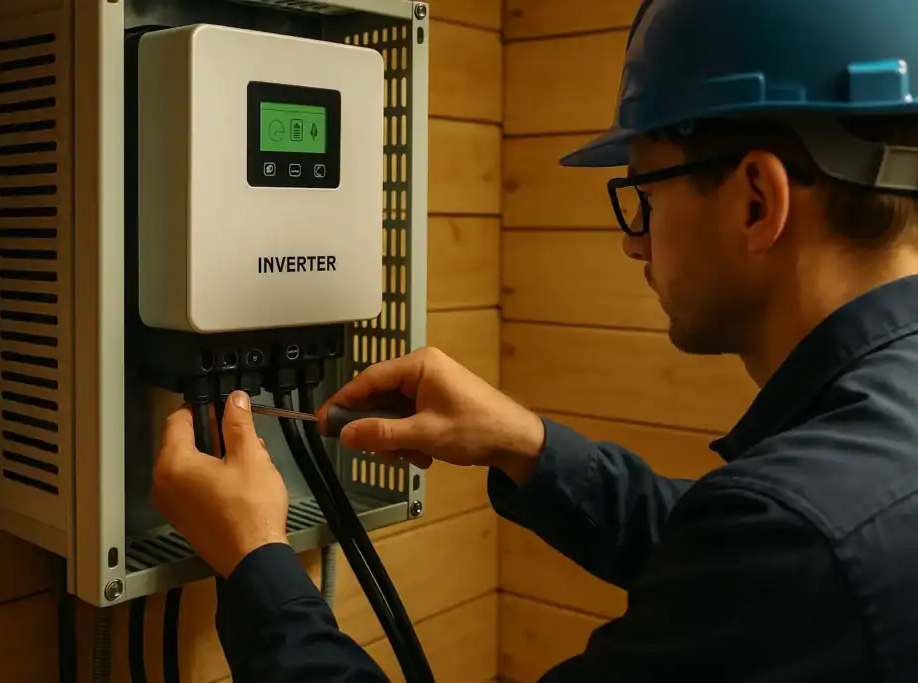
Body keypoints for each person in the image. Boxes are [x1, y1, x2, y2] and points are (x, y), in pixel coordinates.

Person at [150, 0, 918, 680]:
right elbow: (731, 557)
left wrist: (255, 561)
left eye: (641, 194)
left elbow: (769, 551)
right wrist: (526, 445)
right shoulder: (860, 460)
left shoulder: (798, 536)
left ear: (757, 200)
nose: (635, 244)